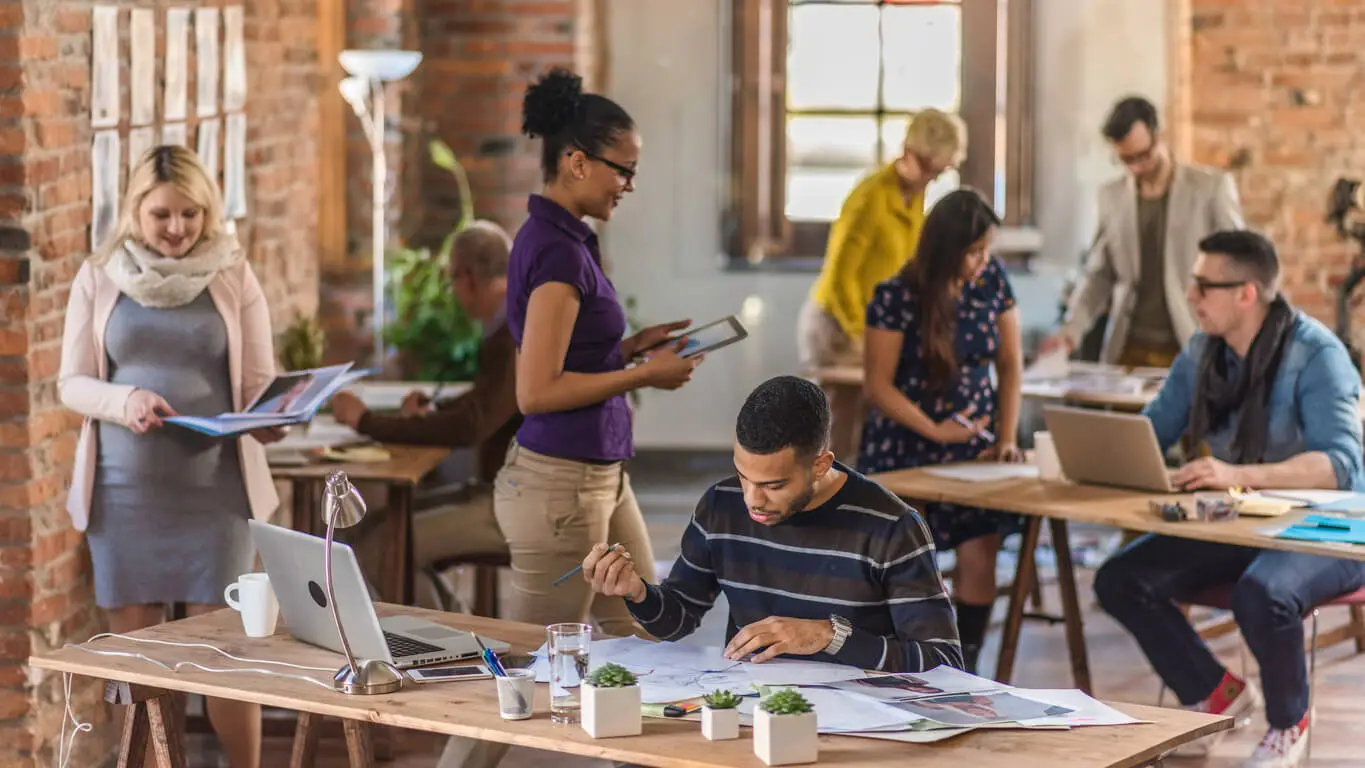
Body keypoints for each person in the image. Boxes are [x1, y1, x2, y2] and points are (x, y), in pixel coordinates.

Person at [1093, 230, 1365, 767]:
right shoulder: (1201, 351)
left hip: (1331, 528)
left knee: (1261, 592)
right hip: (1236, 521)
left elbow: (1339, 467)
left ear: (1247, 292)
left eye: (1203, 286)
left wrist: (1236, 473)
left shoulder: (1317, 355)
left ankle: (1290, 724)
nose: (1190, 296)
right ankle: (1217, 695)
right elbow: (1153, 432)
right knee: (1120, 579)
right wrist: (1092, 455)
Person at [58, 145, 285, 768]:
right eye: (162, 215)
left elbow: (259, 384)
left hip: (217, 498)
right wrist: (123, 398)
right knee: (139, 675)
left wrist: (274, 418)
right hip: (124, 497)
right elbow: (70, 384)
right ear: (134, 211)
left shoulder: (233, 273)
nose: (179, 228)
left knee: (228, 664)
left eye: (191, 213)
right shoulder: (98, 275)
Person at [497, 67, 700, 636]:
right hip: (561, 488)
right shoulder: (557, 252)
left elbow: (571, 355)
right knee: (535, 674)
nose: (629, 185)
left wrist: (633, 349)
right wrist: (643, 377)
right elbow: (535, 391)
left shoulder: (568, 240)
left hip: (600, 479)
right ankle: (463, 733)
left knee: (639, 638)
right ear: (577, 161)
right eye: (624, 171)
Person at [582, 375, 963, 674]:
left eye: (773, 485)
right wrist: (636, 592)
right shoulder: (721, 506)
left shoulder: (892, 527)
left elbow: (944, 662)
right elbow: (678, 619)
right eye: (743, 476)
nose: (752, 499)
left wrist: (828, 636)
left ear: (821, 464)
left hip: (867, 720)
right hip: (755, 709)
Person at [857, 188, 1023, 675]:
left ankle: (964, 669)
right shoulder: (895, 295)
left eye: (987, 249)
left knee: (981, 554)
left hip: (973, 447)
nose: (982, 261)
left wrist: (1007, 438)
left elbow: (1011, 366)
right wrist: (934, 430)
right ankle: (913, 665)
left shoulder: (992, 281)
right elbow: (878, 386)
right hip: (905, 444)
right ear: (945, 248)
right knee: (910, 562)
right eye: (973, 251)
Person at [329, 221, 520, 604]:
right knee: (379, 529)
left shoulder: (511, 333)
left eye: (452, 280)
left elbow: (472, 425)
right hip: (502, 493)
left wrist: (366, 422)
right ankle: (457, 637)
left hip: (511, 506)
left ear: (466, 278)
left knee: (381, 545)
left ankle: (448, 654)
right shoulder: (510, 324)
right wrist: (435, 410)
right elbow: (487, 403)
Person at [798, 108, 968, 460]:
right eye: (929, 168)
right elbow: (841, 278)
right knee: (835, 432)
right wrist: (864, 335)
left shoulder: (914, 195)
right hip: (838, 324)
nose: (932, 179)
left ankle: (853, 506)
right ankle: (815, 510)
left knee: (866, 427)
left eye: (941, 171)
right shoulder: (870, 197)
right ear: (909, 152)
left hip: (872, 325)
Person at [1040, 96, 1245, 368]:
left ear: (1160, 136)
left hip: (1190, 342)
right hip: (1128, 346)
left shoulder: (1210, 190)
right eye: (1125, 160)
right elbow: (1099, 274)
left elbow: (1241, 267)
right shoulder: (1110, 197)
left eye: (1142, 156)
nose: (1136, 168)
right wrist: (1070, 332)